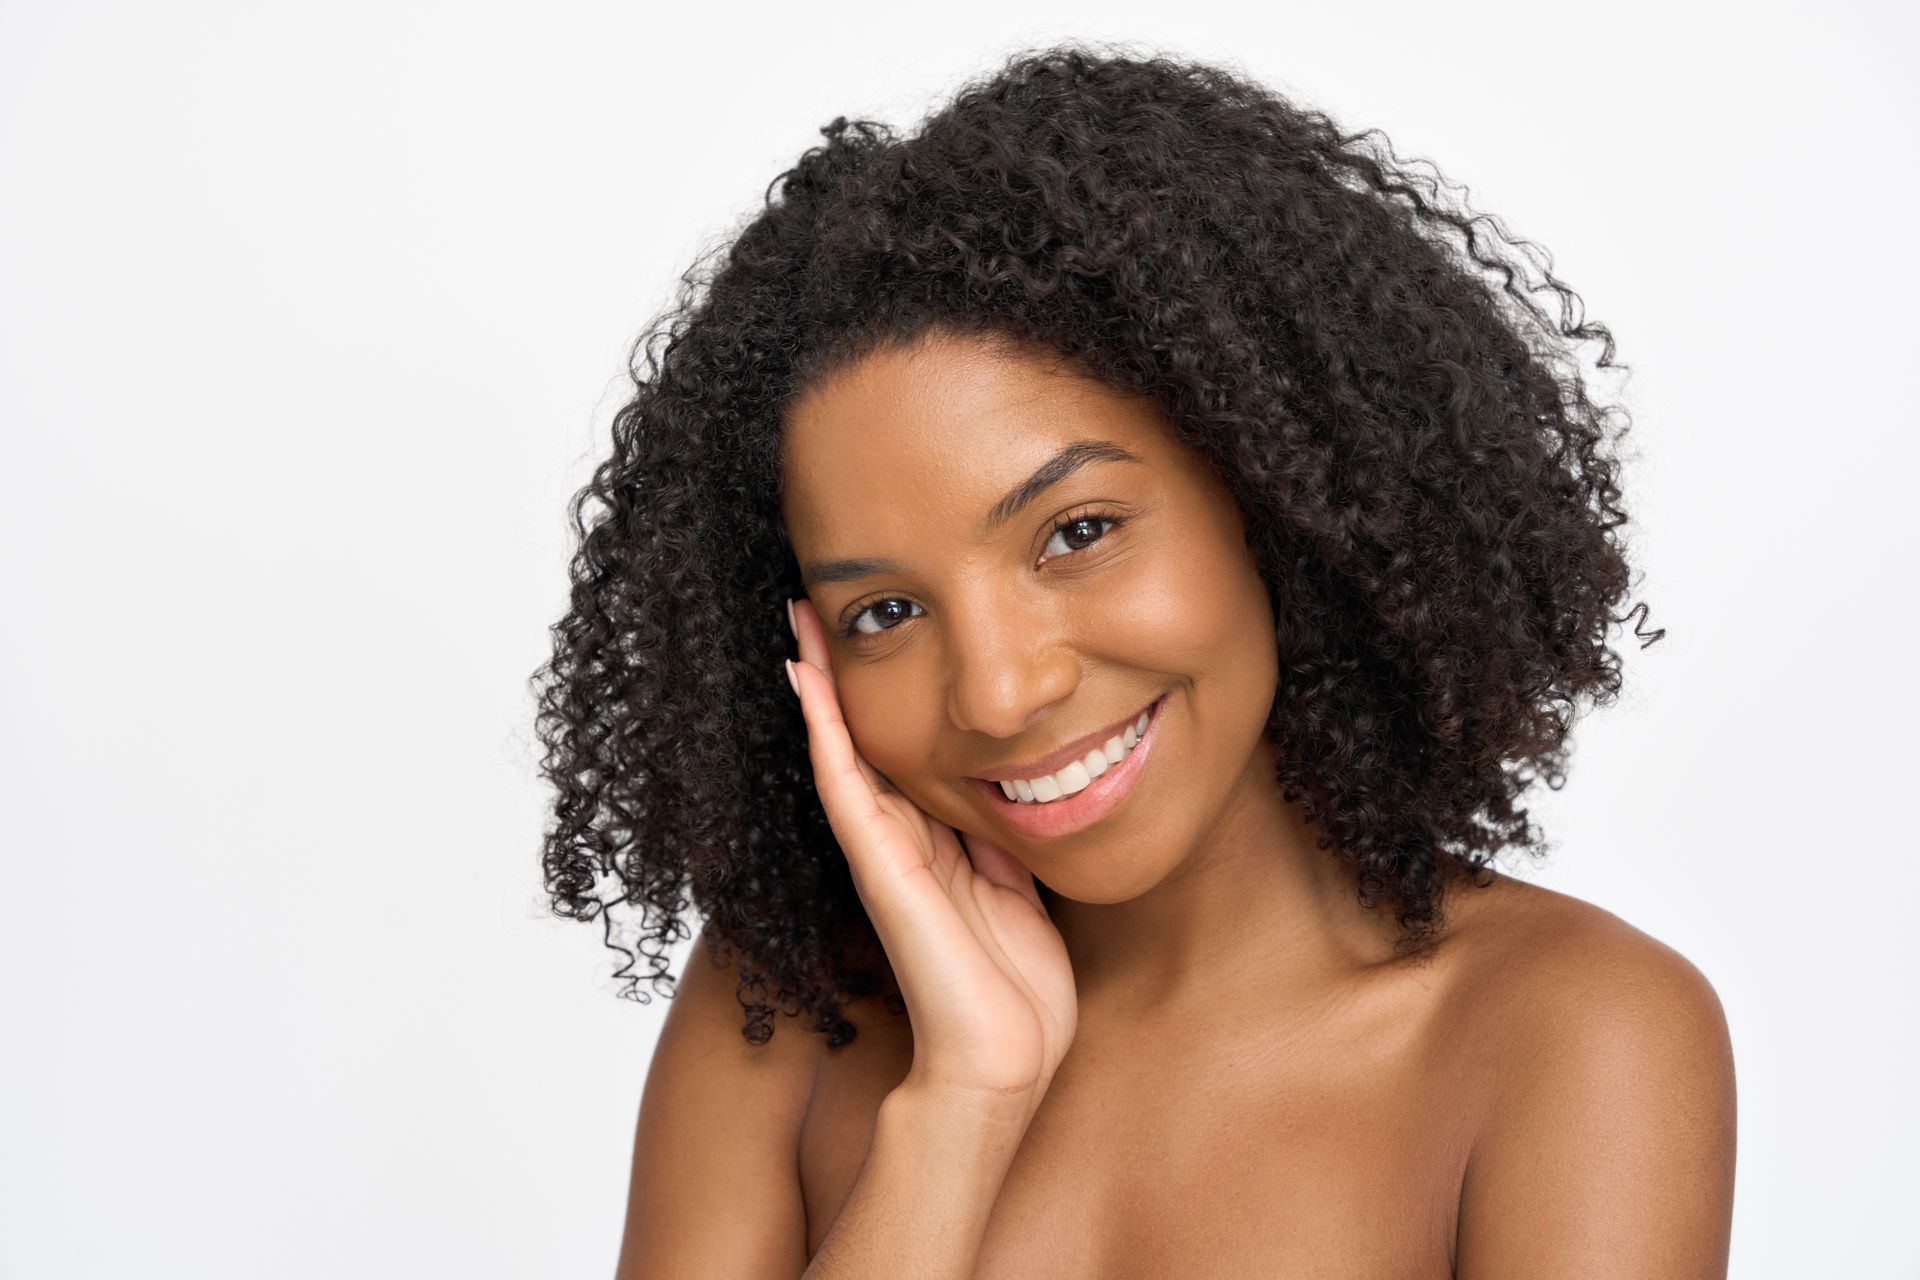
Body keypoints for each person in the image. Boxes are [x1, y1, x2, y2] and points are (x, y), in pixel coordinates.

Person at [531, 42, 1737, 1279]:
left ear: (1273, 488)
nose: (1002, 692)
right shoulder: (785, 1010)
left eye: (1078, 532)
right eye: (886, 611)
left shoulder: (1567, 1034)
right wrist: (961, 1104)